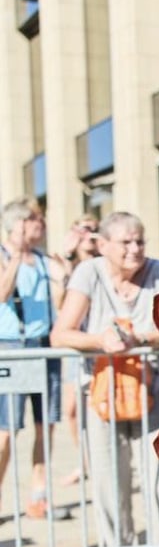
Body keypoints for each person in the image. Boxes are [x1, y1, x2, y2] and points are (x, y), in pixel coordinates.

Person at [50, 211, 159, 547]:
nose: (135, 249)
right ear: (103, 245)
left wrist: (136, 337)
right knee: (109, 490)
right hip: (101, 396)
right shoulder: (88, 273)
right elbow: (62, 334)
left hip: (154, 393)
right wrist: (99, 341)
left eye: (140, 240)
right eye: (126, 242)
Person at [0, 197, 68, 520]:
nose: (41, 226)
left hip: (43, 346)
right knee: (6, 430)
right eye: (35, 220)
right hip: (12, 347)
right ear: (18, 224)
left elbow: (60, 303)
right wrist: (15, 256)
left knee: (46, 426)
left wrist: (63, 278)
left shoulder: (44, 260)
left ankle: (38, 497)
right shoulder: (2, 256)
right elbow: (1, 294)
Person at [58, 214, 100, 486]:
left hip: (95, 341)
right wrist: (67, 260)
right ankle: (85, 461)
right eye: (84, 228)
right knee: (71, 410)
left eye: (95, 229)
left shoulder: (103, 261)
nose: (90, 234)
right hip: (75, 342)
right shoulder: (65, 262)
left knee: (94, 406)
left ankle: (97, 462)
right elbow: (60, 305)